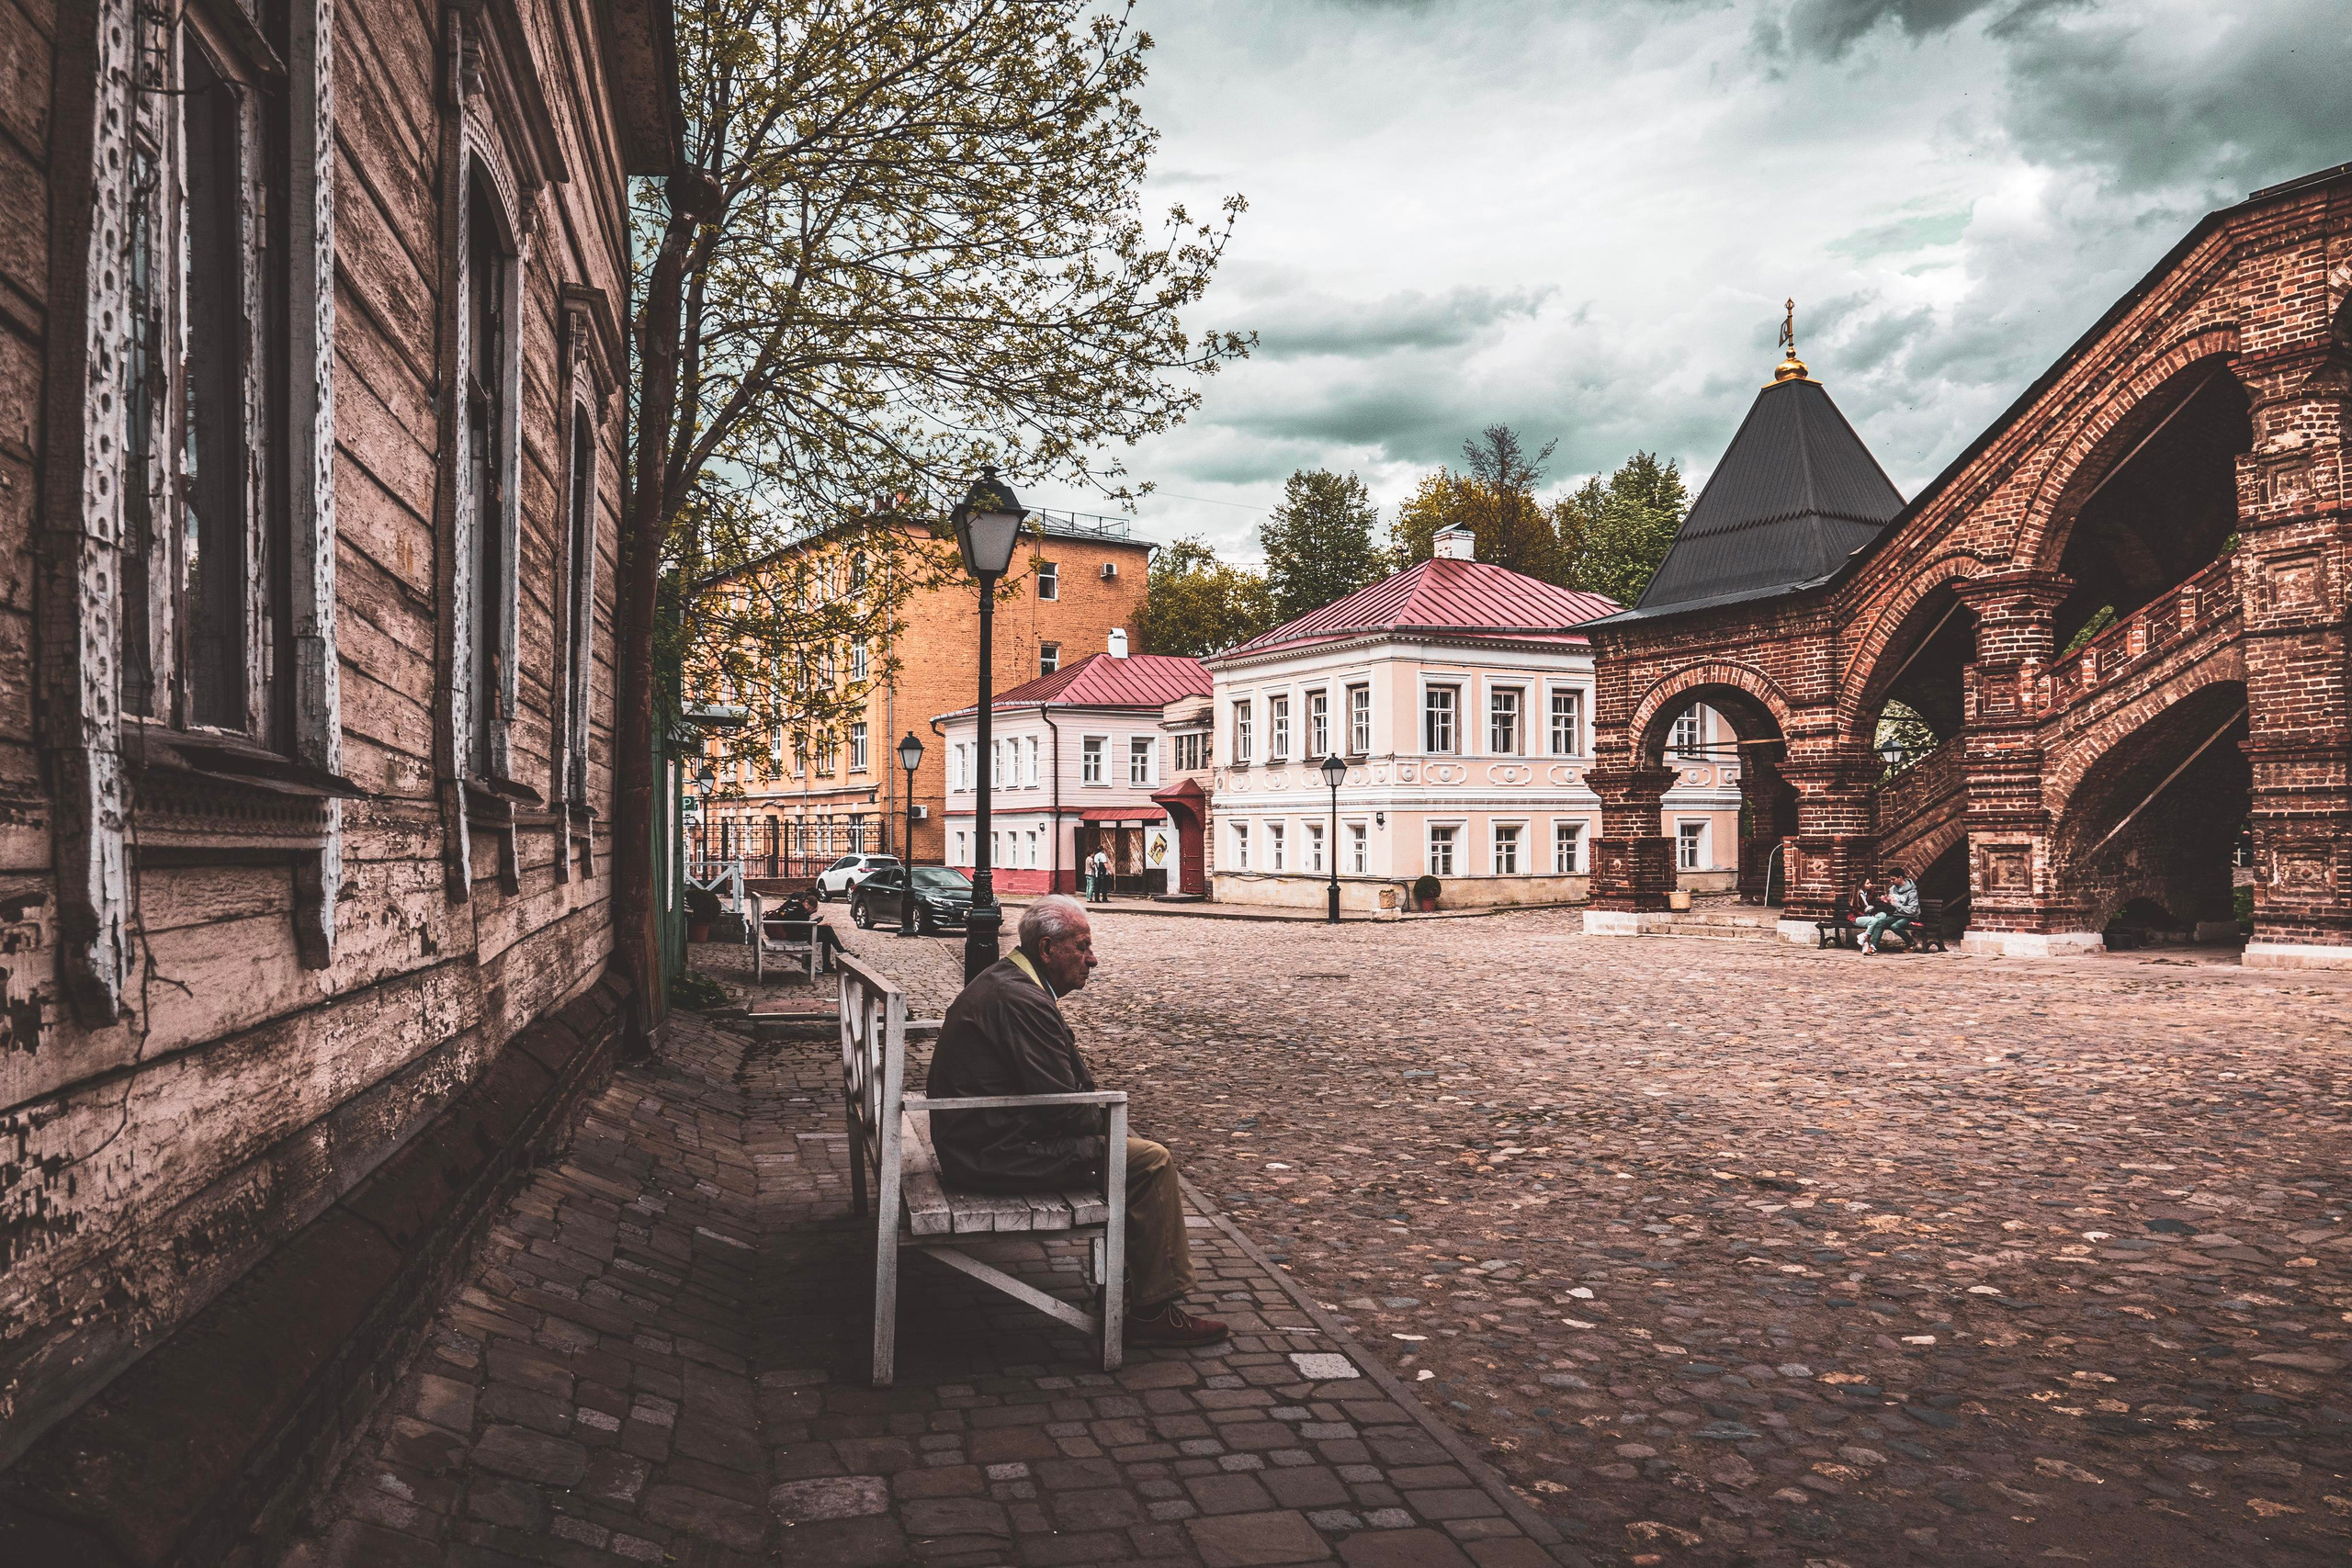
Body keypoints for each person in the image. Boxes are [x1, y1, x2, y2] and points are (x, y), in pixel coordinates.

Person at [927, 894, 1228, 1348]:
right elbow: (1064, 1108)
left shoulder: (1010, 983)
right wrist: (1106, 1121)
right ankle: (1153, 1311)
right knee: (1152, 1163)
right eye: (1082, 947)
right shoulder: (1021, 1000)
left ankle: (1136, 1282)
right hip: (993, 1153)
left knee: (1127, 1147)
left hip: (981, 1137)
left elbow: (1059, 1096)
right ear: (1047, 950)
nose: (1092, 959)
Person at [771, 887, 842, 974]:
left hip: (791, 930)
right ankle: (833, 959)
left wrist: (815, 921)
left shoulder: (792, 903)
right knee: (826, 935)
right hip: (791, 934)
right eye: (810, 908)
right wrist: (810, 914)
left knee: (826, 930)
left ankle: (831, 960)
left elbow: (801, 923)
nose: (809, 910)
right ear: (806, 902)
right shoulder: (800, 908)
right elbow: (803, 925)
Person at [1861, 868, 1919, 955]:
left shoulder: (1912, 892)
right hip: (1897, 915)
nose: (1891, 881)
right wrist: (1887, 902)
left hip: (1910, 916)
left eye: (1893, 879)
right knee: (1880, 922)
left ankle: (1911, 943)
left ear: (1900, 878)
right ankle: (1873, 947)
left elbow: (1912, 910)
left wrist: (1896, 904)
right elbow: (1891, 907)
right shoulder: (1893, 889)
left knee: (1895, 926)